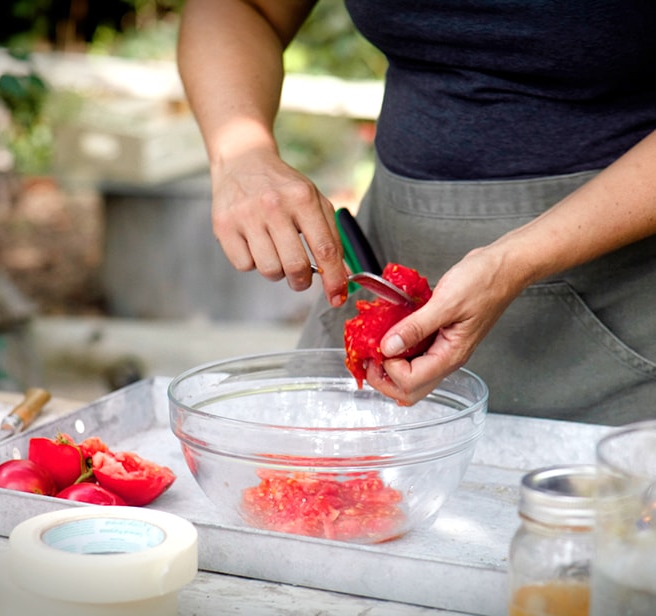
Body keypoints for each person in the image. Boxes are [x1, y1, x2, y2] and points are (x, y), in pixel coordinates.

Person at [176, 0, 656, 425]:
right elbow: (244, 7)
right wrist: (240, 152)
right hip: (385, 255)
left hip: (616, 296)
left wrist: (515, 261)